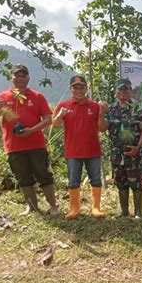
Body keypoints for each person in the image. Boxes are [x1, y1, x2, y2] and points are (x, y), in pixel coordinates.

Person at [0, 64, 59, 216]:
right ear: (11, 78)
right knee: (23, 178)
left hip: (36, 144)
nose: (20, 78)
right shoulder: (2, 98)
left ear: (28, 78)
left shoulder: (37, 96)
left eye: (23, 75)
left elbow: (48, 119)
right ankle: (32, 207)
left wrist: (32, 130)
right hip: (14, 146)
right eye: (16, 75)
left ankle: (53, 207)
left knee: (44, 175)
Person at [53, 75, 105, 220]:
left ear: (86, 88)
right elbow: (55, 125)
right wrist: (59, 116)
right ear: (71, 89)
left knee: (95, 180)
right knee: (73, 181)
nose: (79, 90)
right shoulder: (64, 106)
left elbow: (102, 128)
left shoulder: (95, 106)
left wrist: (102, 112)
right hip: (73, 151)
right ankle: (75, 209)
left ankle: (96, 208)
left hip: (93, 150)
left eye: (81, 87)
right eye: (75, 87)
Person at [99, 78, 142, 220]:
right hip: (116, 153)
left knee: (136, 182)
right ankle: (124, 211)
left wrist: (138, 147)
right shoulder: (110, 109)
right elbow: (102, 128)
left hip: (133, 153)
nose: (122, 92)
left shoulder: (137, 109)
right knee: (120, 182)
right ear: (116, 92)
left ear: (130, 91)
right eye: (120, 89)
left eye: (125, 89)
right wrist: (101, 114)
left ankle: (138, 212)